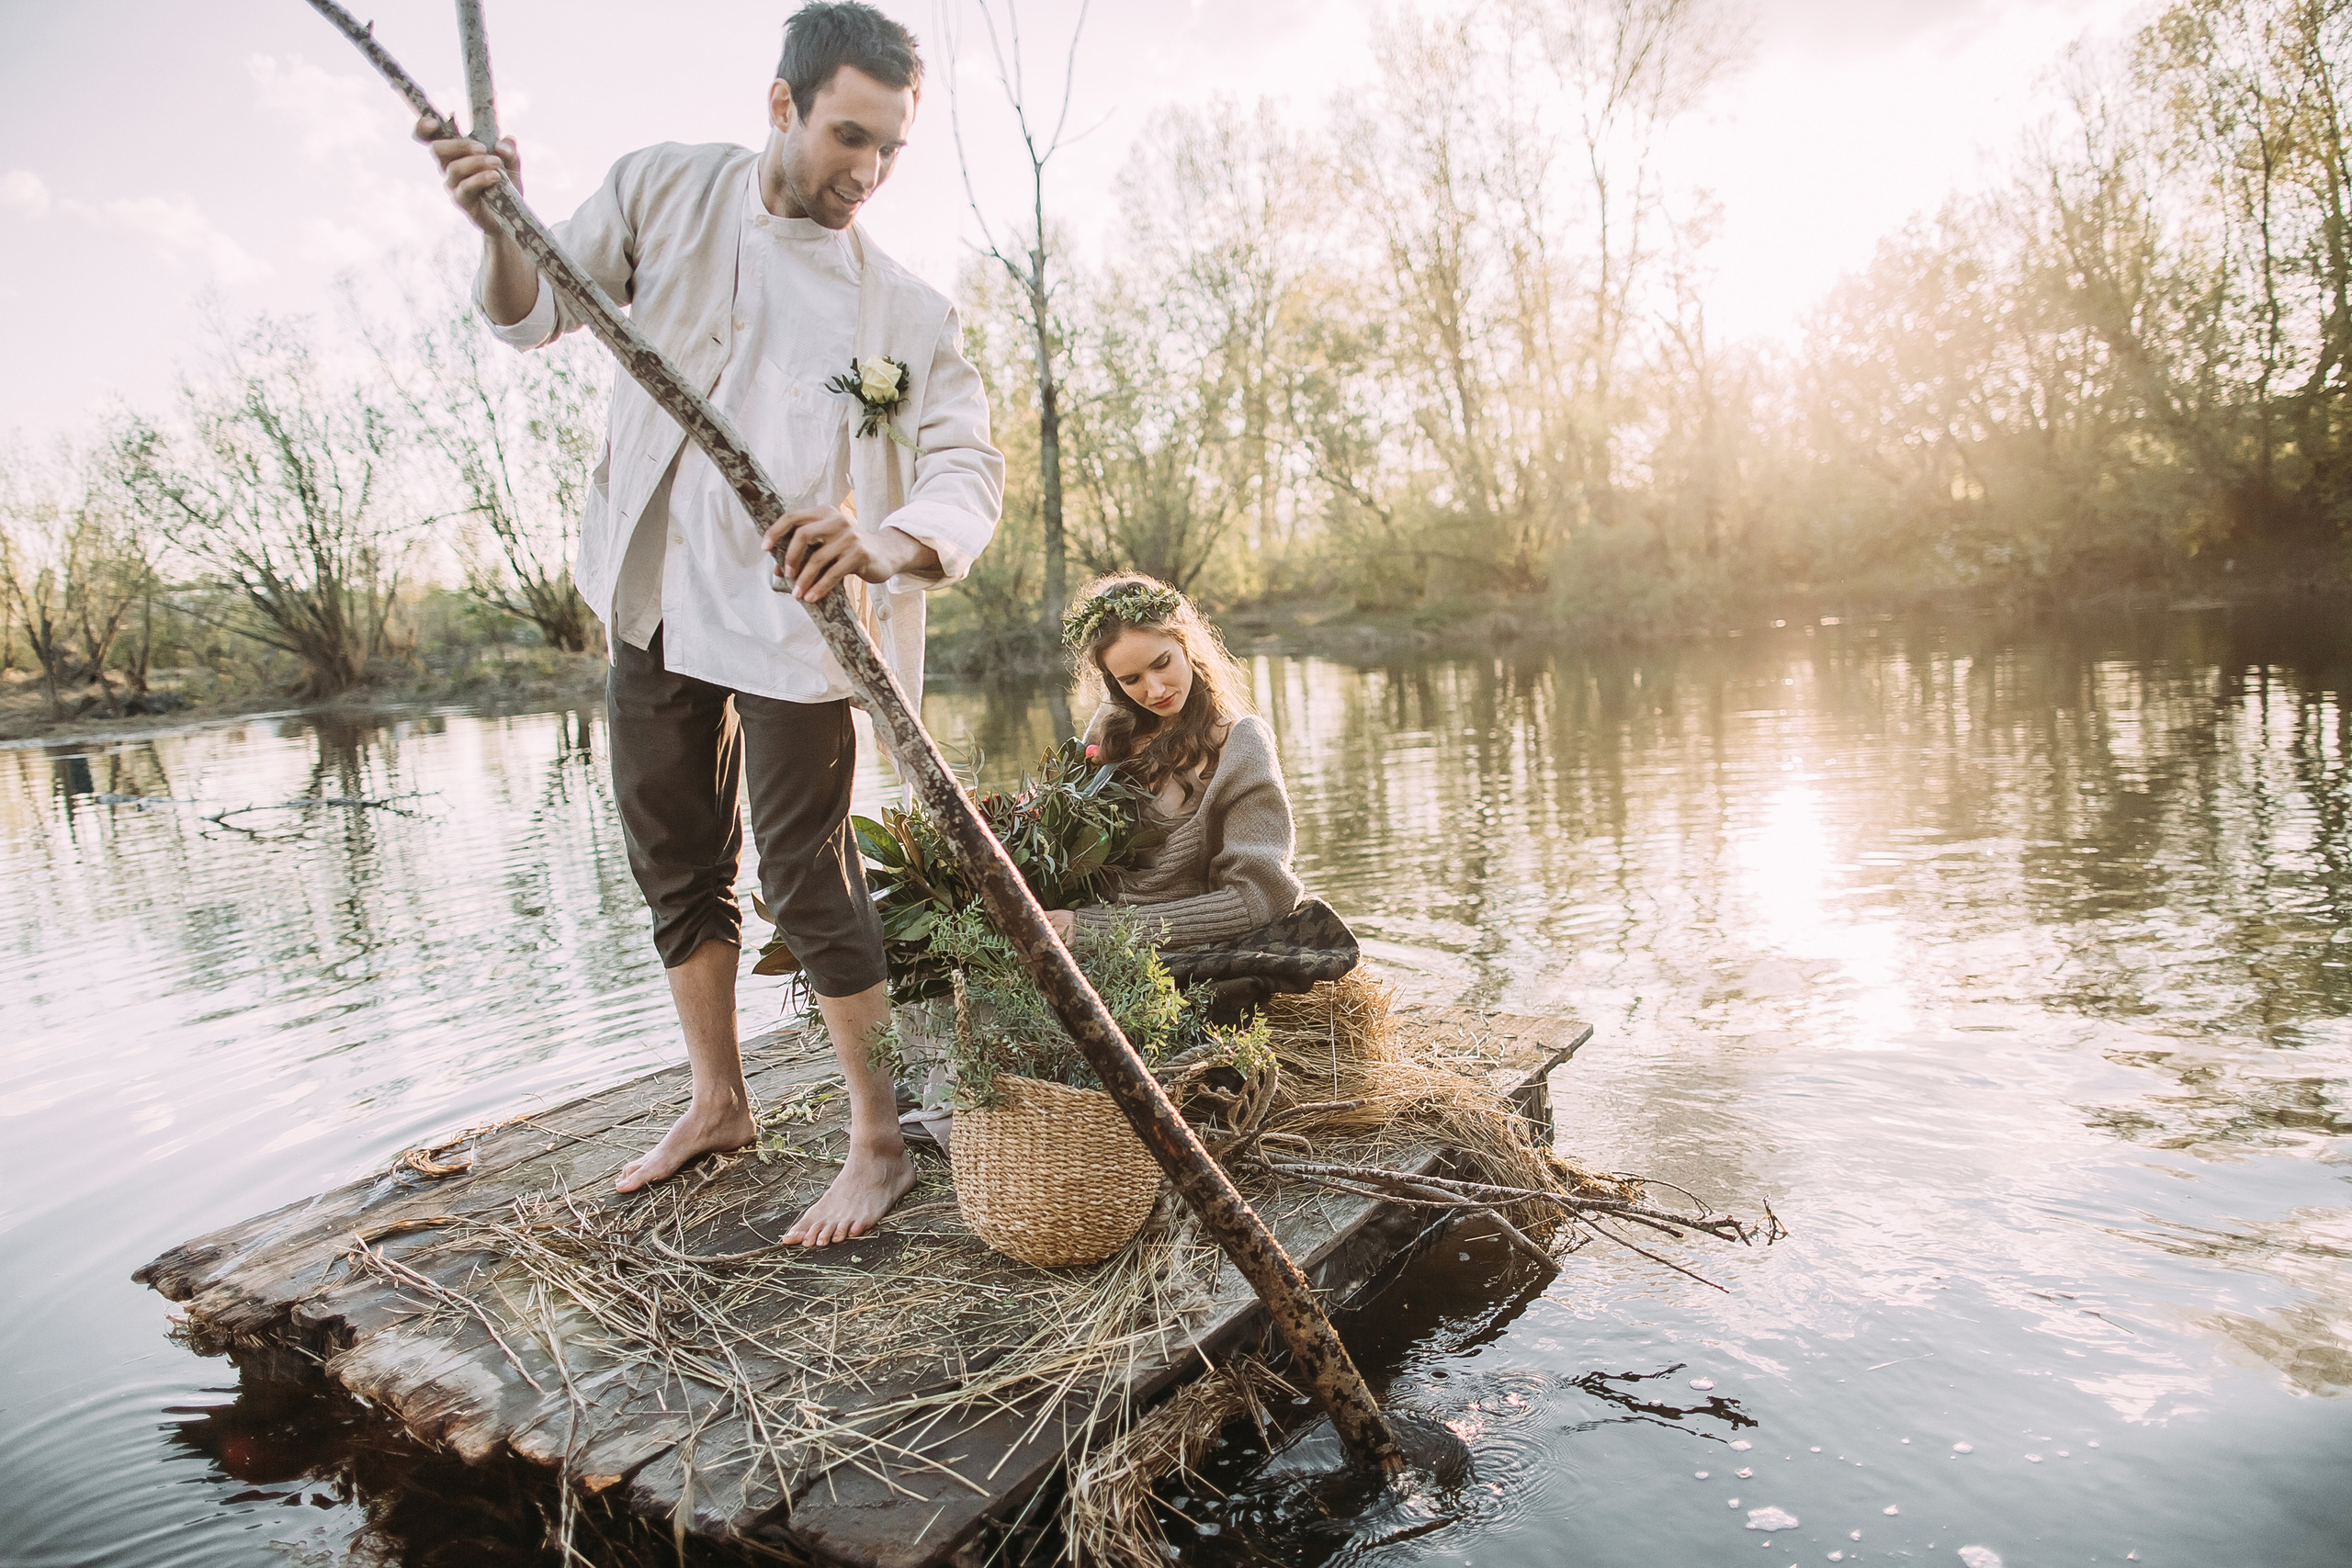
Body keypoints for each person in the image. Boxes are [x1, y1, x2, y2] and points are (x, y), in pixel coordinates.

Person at [423, 4, 1003, 1246]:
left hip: (800, 619)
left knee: (806, 874)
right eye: (850, 135)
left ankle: (879, 1139)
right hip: (650, 591)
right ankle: (718, 1101)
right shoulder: (661, 193)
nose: (868, 172)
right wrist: (496, 228)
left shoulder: (895, 315)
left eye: (891, 150)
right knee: (674, 855)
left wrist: (888, 536)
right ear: (782, 104)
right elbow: (528, 314)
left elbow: (962, 465)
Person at [1046, 576, 1306, 951]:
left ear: (1185, 642)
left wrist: (1095, 930)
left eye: (1162, 663)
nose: (1154, 690)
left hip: (1181, 947)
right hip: (1090, 929)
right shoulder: (1109, 728)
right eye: (1131, 679)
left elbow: (1259, 898)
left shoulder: (1240, 744)